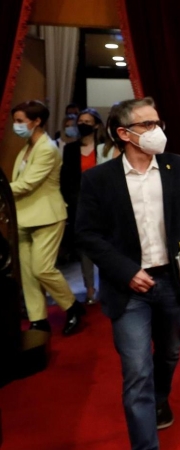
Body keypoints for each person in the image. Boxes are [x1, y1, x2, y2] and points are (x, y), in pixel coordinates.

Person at [75, 97, 180, 450]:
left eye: (158, 123)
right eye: (148, 125)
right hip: (128, 289)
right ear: (124, 133)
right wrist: (126, 271)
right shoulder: (98, 180)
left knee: (170, 353)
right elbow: (87, 234)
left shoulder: (177, 167)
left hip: (171, 281)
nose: (157, 131)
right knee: (137, 371)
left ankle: (160, 397)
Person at [9, 100, 84, 335]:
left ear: (37, 121)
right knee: (29, 273)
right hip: (23, 216)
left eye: (20, 121)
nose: (16, 125)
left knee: (42, 269)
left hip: (47, 216)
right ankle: (38, 319)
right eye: (15, 121)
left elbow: (28, 183)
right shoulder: (27, 147)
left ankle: (72, 306)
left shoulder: (46, 148)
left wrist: (3, 190)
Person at [60, 108, 116, 304]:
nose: (83, 124)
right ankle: (90, 289)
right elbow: (65, 179)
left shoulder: (104, 148)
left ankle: (109, 286)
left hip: (103, 204)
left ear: (97, 125)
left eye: (87, 121)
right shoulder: (70, 149)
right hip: (80, 204)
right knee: (85, 248)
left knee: (107, 245)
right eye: (80, 121)